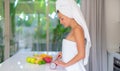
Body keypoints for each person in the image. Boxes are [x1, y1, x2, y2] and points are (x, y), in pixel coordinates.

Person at [54, 0, 91, 71]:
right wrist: (63, 54)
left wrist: (65, 64)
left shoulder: (77, 29)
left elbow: (81, 54)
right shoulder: (73, 30)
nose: (61, 22)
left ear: (69, 14)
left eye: (62, 18)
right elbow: (73, 50)